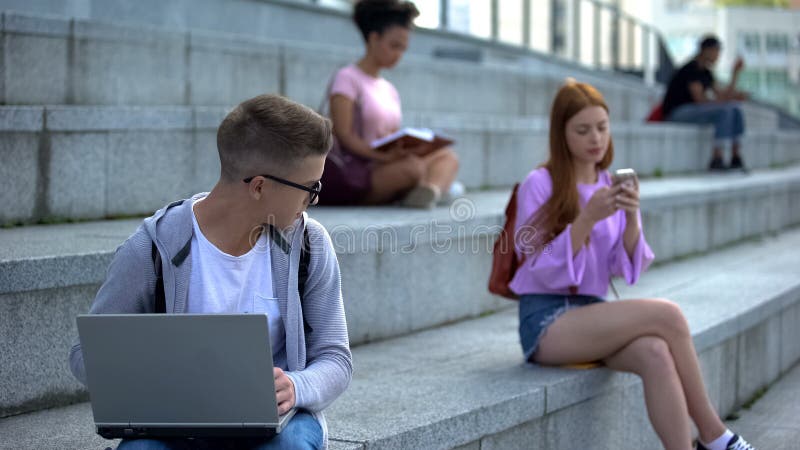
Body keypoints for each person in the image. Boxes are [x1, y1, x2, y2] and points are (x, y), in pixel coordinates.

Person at [68, 94, 353, 450]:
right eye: (310, 188)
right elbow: (85, 355)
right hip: (175, 426)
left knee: (293, 446)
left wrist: (296, 387)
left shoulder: (310, 244)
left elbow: (336, 358)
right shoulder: (154, 246)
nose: (314, 200)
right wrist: (157, 377)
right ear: (260, 186)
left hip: (277, 427)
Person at [511, 80, 755, 450]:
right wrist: (585, 221)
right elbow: (537, 265)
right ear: (561, 134)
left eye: (602, 127)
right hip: (546, 321)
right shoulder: (538, 183)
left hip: (592, 313)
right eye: (583, 129)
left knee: (656, 352)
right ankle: (715, 434)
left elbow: (624, 269)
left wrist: (633, 217)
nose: (595, 138)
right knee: (668, 315)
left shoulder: (608, 183)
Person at [318, 0, 460, 208]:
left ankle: (429, 190)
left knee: (448, 158)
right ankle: (430, 188)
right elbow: (344, 136)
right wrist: (381, 157)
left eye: (403, 48)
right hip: (360, 170)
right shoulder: (346, 78)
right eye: (394, 46)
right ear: (374, 39)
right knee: (411, 169)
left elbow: (391, 135)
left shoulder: (389, 89)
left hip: (388, 161)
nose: (399, 54)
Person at [663, 35, 749, 171]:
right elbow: (700, 100)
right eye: (716, 51)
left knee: (735, 108)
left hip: (693, 111)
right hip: (677, 112)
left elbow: (723, 96)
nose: (717, 56)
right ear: (706, 50)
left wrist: (735, 74)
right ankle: (717, 158)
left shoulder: (707, 73)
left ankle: (735, 156)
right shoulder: (692, 69)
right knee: (725, 110)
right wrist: (725, 100)